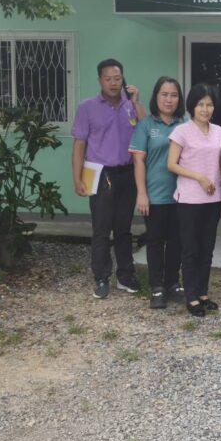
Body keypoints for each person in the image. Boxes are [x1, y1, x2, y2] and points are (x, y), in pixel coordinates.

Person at [72, 58, 146, 300]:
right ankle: (101, 277)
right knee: (102, 229)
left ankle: (125, 276)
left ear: (123, 79)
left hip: (127, 172)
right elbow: (79, 145)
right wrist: (77, 178)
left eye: (117, 78)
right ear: (100, 81)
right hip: (99, 172)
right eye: (108, 79)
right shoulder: (87, 107)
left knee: (124, 229)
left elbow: (147, 129)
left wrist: (136, 102)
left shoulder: (130, 105)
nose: (113, 83)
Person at [168, 83, 221, 317]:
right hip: (189, 199)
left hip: (214, 198)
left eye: (209, 104)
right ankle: (191, 296)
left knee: (207, 248)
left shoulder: (219, 131)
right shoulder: (181, 131)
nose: (205, 109)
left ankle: (203, 293)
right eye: (200, 104)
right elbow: (171, 164)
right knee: (191, 249)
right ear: (192, 106)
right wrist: (199, 177)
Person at [130, 76, 187, 310]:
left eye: (174, 95)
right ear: (156, 97)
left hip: (182, 195)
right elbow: (138, 161)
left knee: (176, 242)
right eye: (164, 94)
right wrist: (141, 193)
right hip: (154, 195)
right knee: (155, 241)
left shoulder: (185, 124)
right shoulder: (146, 125)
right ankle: (157, 286)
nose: (169, 99)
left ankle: (173, 282)